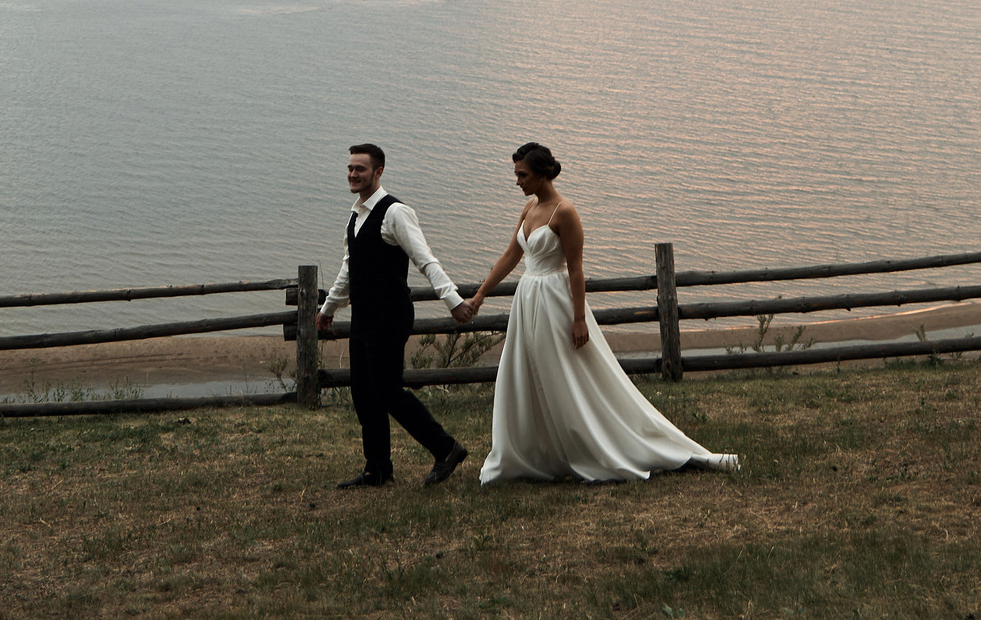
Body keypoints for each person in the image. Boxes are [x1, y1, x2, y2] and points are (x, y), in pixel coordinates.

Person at [454, 143, 739, 483]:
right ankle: (537, 451)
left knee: (567, 374)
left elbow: (576, 270)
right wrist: (481, 294)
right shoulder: (528, 209)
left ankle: (591, 444)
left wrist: (578, 319)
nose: (517, 181)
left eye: (522, 174)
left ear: (543, 174)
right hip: (527, 299)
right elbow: (511, 255)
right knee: (527, 372)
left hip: (555, 302)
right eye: (516, 174)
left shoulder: (565, 212)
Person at [316, 142, 472, 487]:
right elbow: (349, 269)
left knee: (386, 390)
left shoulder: (395, 212)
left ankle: (445, 448)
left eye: (360, 169)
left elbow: (425, 259)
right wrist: (328, 308)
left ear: (379, 172)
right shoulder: (356, 215)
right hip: (363, 317)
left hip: (390, 315)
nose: (353, 174)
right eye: (350, 168)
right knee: (363, 392)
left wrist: (453, 300)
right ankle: (378, 469)